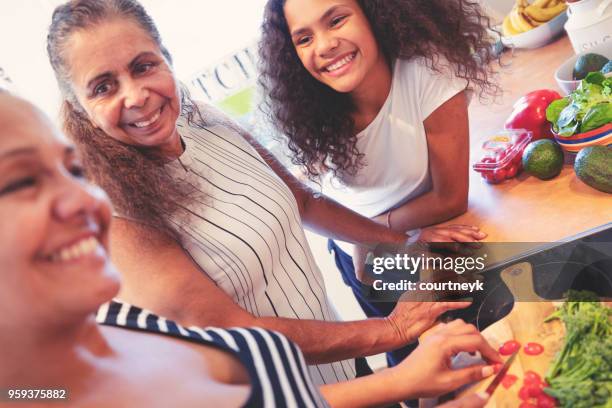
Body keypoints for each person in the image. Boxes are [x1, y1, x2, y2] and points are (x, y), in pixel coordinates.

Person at [46, 0, 487, 385]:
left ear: (166, 58)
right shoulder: (117, 218)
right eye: (103, 86)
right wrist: (389, 332)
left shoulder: (199, 116)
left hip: (344, 366)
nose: (137, 96)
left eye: (144, 66)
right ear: (78, 105)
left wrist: (397, 243)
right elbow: (239, 331)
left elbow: (302, 200)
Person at [0, 91, 499, 407]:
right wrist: (394, 353)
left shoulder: (112, 337)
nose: (82, 201)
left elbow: (236, 396)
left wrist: (399, 382)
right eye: (19, 182)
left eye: (72, 170)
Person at [258, 0, 498, 368]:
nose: (323, 46)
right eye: (304, 39)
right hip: (361, 256)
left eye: (336, 20)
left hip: (417, 236)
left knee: (480, 348)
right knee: (416, 367)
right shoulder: (312, 108)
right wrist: (365, 242)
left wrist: (374, 233)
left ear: (375, 12)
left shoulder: (427, 70)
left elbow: (450, 198)